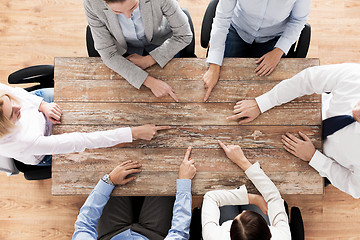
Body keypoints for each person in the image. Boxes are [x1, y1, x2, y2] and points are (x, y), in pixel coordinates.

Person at [227, 63, 360, 199]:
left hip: (318, 162)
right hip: (309, 113)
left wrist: (313, 157)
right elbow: (309, 79)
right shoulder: (356, 76)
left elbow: (354, 186)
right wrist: (262, 103)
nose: (357, 110)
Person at [0, 83, 169, 166]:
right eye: (12, 113)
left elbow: (14, 92)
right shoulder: (22, 141)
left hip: (43, 106)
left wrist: (41, 105)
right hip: (43, 146)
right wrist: (133, 133)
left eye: (10, 102)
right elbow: (82, 141)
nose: (18, 106)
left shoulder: (12, 101)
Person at [72, 146, 196, 240]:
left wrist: (109, 180)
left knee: (118, 165)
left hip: (112, 234)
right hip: (154, 235)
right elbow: (178, 233)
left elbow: (85, 225)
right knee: (166, 179)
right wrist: (184, 182)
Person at [83, 0, 193, 102]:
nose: (127, 16)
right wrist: (149, 82)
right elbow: (108, 53)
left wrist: (149, 60)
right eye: (117, 11)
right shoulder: (92, 3)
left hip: (163, 44)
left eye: (133, 7)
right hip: (125, 50)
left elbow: (184, 35)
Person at [202, 0, 311, 101]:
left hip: (273, 37)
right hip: (238, 27)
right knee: (220, 87)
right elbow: (222, 17)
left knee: (265, 93)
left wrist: (278, 51)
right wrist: (214, 66)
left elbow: (298, 20)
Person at [201, 140, 291, 239]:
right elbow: (274, 197)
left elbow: (211, 197)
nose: (243, 212)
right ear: (270, 234)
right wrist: (242, 162)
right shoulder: (281, 237)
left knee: (224, 188)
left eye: (237, 217)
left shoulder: (214, 237)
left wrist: (252, 199)